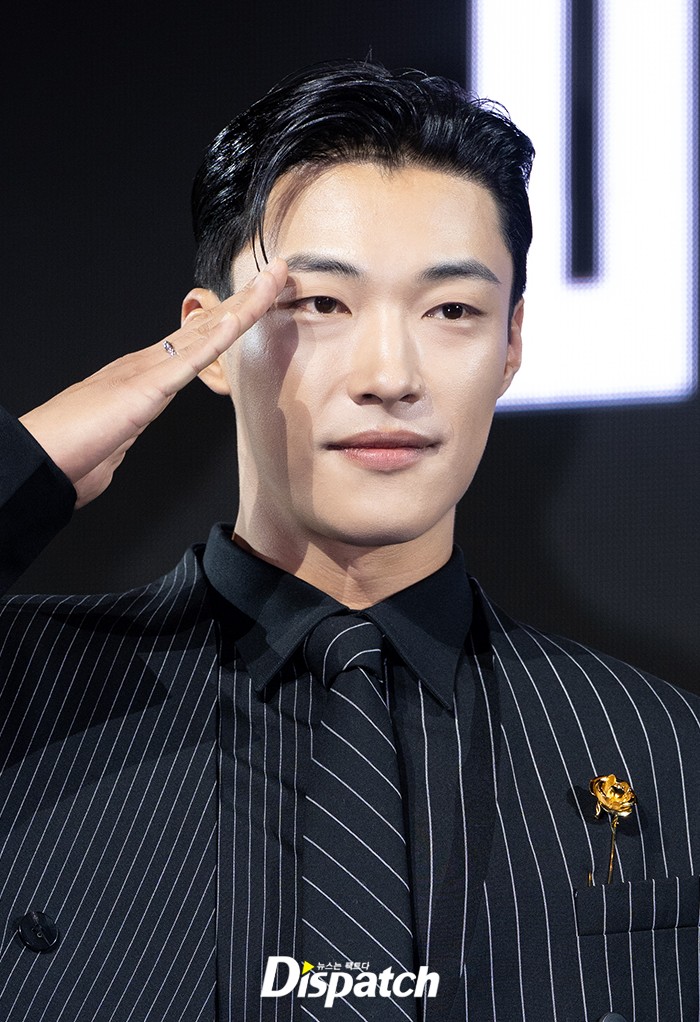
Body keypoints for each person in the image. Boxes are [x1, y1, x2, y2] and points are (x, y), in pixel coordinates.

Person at [1, 60, 698, 1022]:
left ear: (511, 345)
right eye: (321, 304)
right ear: (210, 340)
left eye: (452, 311)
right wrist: (27, 465)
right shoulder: (27, 690)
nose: (390, 374)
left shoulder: (660, 745)